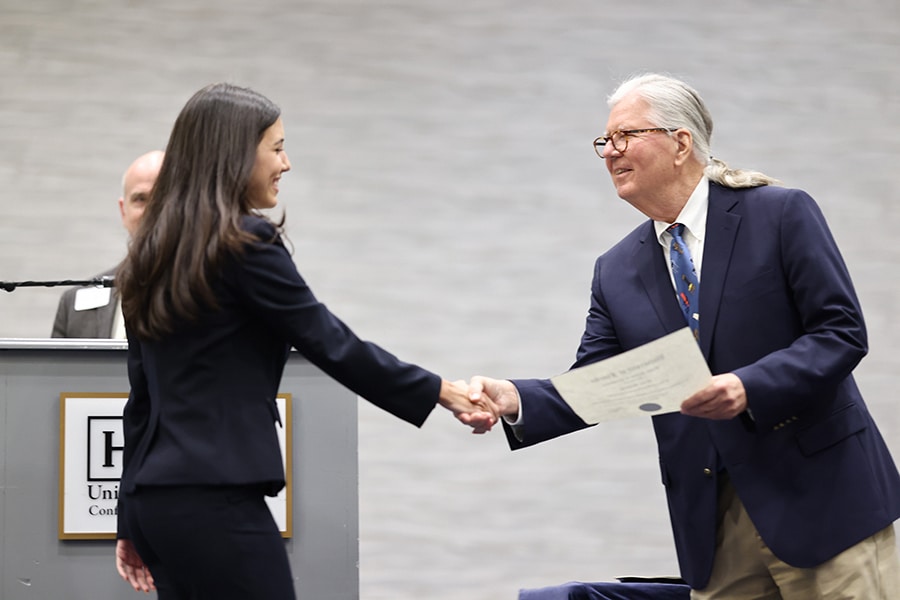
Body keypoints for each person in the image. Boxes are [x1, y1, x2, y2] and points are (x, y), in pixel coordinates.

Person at [466, 73, 900, 599]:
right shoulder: (616, 270)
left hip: (824, 504)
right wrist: (515, 398)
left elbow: (840, 333)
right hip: (712, 530)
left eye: (626, 135)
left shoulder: (780, 213)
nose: (610, 152)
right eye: (605, 141)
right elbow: (601, 384)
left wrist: (747, 387)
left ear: (680, 143)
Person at [113, 82, 496, 599]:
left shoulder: (152, 252)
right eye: (275, 147)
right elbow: (330, 341)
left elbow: (141, 402)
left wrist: (128, 517)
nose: (286, 163)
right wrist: (443, 391)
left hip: (155, 503)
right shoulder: (245, 243)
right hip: (215, 497)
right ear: (234, 154)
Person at [50, 150, 164, 338]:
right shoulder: (74, 308)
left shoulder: (215, 297)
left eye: (162, 196)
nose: (151, 210)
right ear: (123, 211)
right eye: (140, 199)